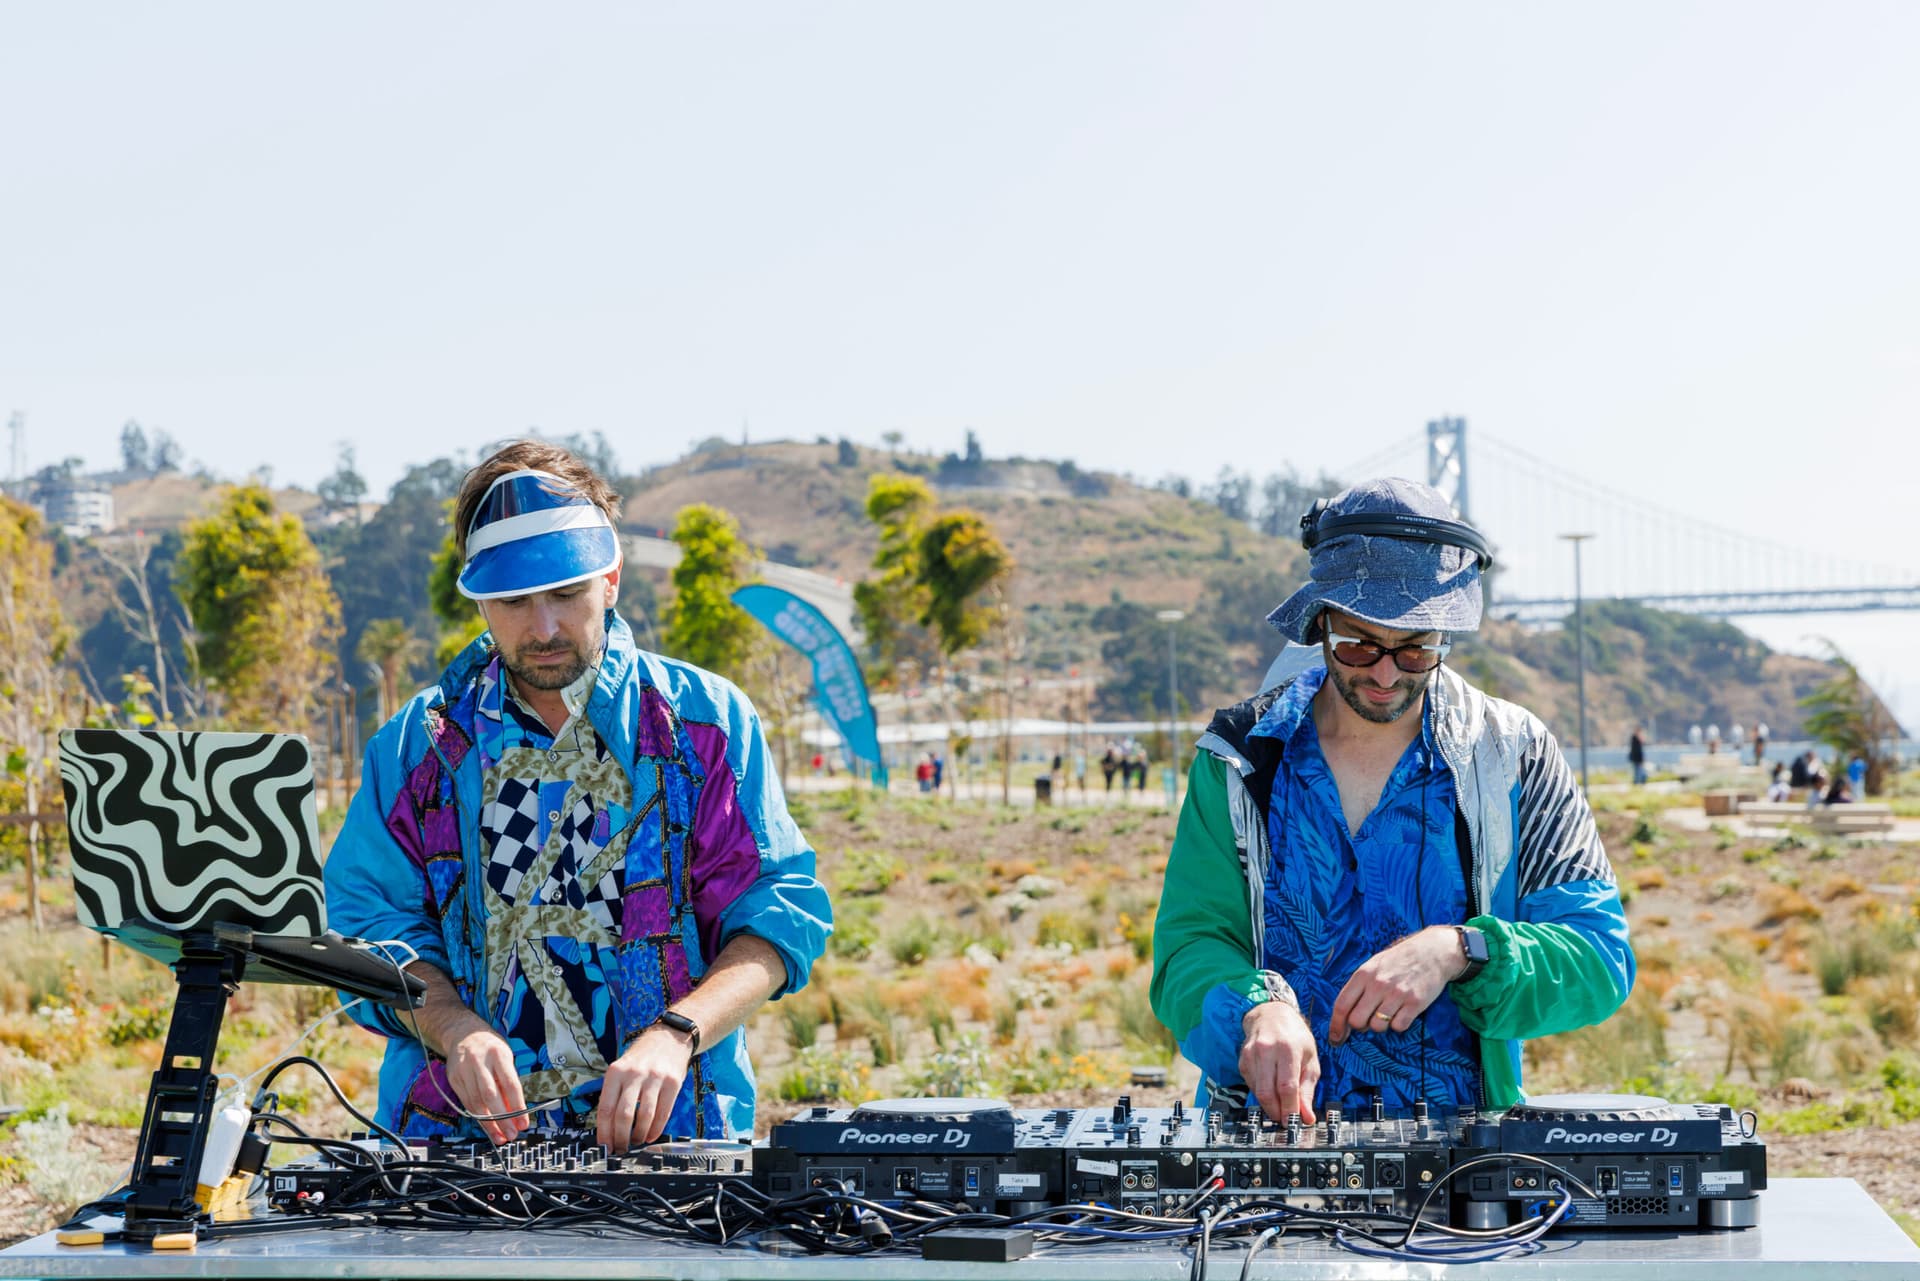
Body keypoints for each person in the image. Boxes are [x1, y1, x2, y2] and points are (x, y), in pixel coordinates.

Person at [325, 441, 832, 1151]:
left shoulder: (705, 726)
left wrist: (677, 1033)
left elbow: (780, 916)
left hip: (674, 1146)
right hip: (456, 1152)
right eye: (512, 601)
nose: (543, 628)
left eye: (566, 592)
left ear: (612, 578)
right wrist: (453, 1027)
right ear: (478, 599)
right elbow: (364, 929)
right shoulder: (417, 747)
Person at [1150, 478, 1633, 1123]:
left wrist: (1460, 949)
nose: (1385, 674)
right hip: (1261, 1150)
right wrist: (1253, 1010)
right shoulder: (1237, 758)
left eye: (1415, 648)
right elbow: (1190, 947)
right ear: (1319, 624)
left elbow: (1598, 958)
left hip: (1462, 1164)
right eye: (1358, 644)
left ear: (1446, 637)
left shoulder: (1515, 753)